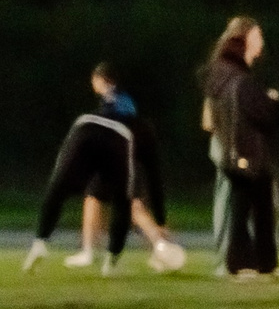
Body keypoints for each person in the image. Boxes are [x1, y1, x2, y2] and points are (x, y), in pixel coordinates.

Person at [22, 64, 183, 274]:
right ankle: (110, 259)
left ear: (102, 80)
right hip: (118, 147)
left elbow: (116, 117)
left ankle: (41, 242)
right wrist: (161, 216)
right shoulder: (138, 118)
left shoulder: (118, 102)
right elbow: (154, 177)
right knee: (119, 202)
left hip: (92, 131)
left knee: (60, 187)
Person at [203, 17, 279, 278]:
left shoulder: (221, 73)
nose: (262, 42)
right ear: (245, 38)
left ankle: (254, 262)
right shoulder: (238, 77)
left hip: (228, 145)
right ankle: (238, 262)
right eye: (258, 36)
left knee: (246, 204)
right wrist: (270, 101)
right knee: (237, 207)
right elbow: (256, 114)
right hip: (240, 147)